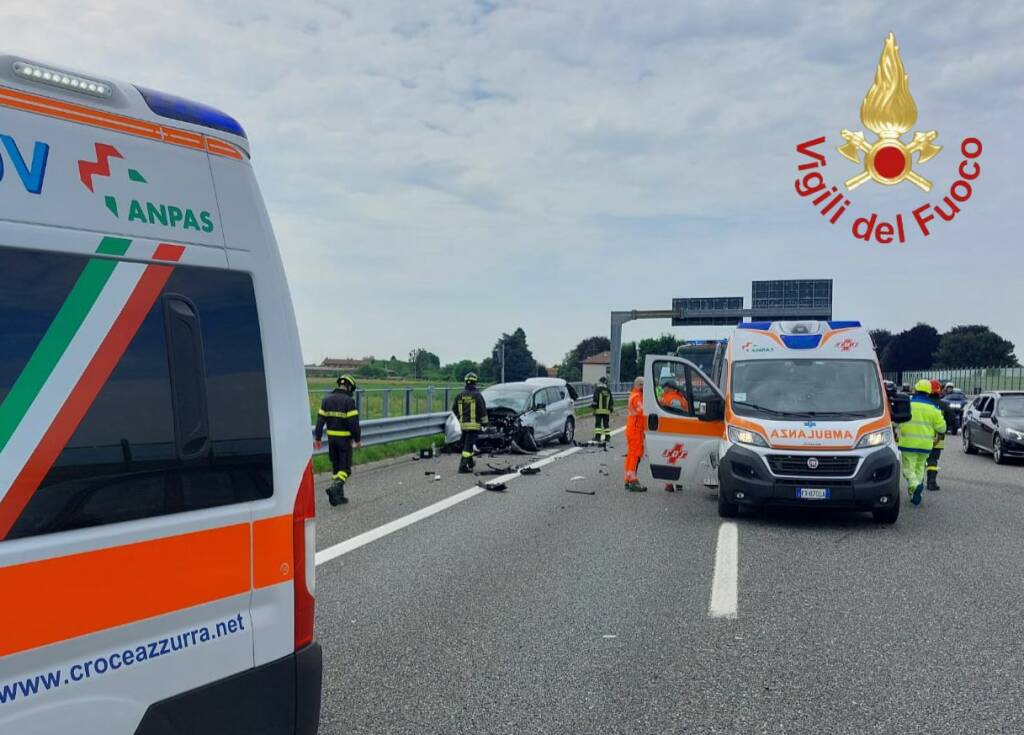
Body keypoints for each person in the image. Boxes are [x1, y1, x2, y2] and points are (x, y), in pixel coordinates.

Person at [313, 375, 361, 506]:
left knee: (336, 469)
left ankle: (338, 498)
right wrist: (357, 439)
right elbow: (353, 423)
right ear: (349, 387)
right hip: (344, 441)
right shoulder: (349, 402)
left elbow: (319, 421)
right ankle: (335, 489)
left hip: (331, 441)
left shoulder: (326, 400)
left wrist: (317, 438)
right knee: (345, 469)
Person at [898, 379, 946, 506]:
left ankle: (914, 485)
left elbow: (897, 421)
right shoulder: (934, 409)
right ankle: (914, 494)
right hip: (925, 445)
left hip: (908, 443)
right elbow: (942, 428)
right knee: (919, 468)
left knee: (908, 469)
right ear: (929, 392)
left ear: (915, 390)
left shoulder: (908, 404)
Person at [452, 372, 487, 473]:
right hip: (473, 426)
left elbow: (454, 412)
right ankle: (463, 466)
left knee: (468, 444)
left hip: (462, 426)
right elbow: (482, 411)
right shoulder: (477, 395)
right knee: (467, 447)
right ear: (475, 382)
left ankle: (470, 463)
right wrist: (485, 424)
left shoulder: (459, 395)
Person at [926, 379, 957, 491]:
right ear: (939, 391)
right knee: (933, 460)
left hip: (920, 437)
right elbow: (954, 421)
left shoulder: (921, 404)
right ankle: (931, 483)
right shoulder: (944, 405)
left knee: (919, 461)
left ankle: (916, 484)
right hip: (937, 438)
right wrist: (945, 427)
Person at [624, 376, 647, 492]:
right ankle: (632, 480)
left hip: (634, 429)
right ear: (638, 385)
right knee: (634, 455)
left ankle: (628, 479)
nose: (644, 387)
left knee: (631, 455)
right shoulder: (637, 397)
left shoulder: (635, 395)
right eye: (643, 385)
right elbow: (642, 412)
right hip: (635, 430)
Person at [591, 376, 614, 445]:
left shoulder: (598, 389)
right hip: (606, 411)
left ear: (600, 382)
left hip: (599, 411)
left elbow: (595, 399)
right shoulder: (608, 390)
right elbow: (611, 401)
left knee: (598, 424)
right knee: (606, 424)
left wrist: (593, 407)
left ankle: (598, 438)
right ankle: (607, 437)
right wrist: (611, 409)